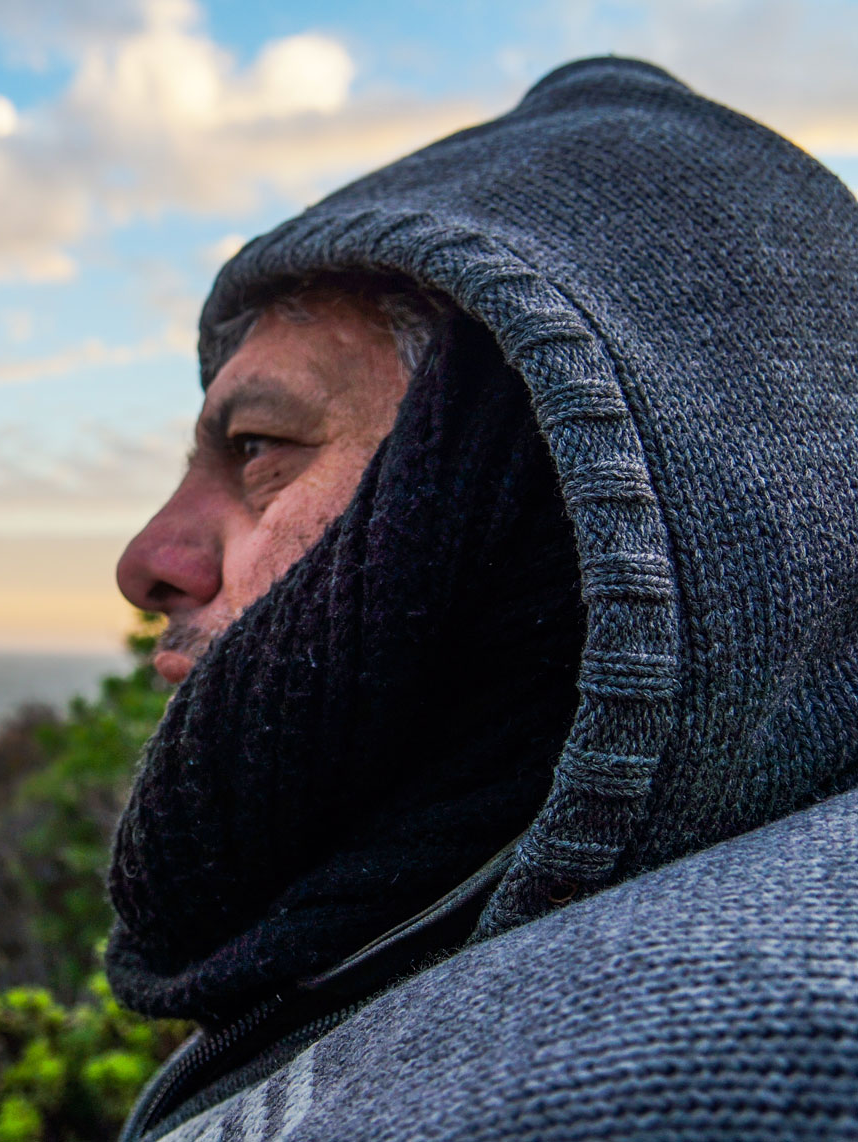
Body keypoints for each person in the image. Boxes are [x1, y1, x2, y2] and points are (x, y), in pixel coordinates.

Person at [105, 56, 858, 1141]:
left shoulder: (766, 1049)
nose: (146, 557)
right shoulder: (405, 917)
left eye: (259, 448)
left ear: (537, 483)